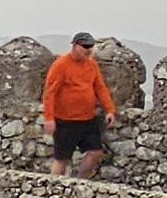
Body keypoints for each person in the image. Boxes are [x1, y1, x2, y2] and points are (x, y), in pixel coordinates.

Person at [39, 32, 115, 179]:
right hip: (65, 121)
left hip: (87, 119)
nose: (89, 50)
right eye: (85, 46)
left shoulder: (91, 64)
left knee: (95, 152)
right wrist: (49, 118)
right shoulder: (61, 65)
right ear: (75, 45)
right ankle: (53, 189)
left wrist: (110, 110)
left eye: (91, 47)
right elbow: (50, 93)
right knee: (62, 159)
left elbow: (100, 88)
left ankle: (80, 182)